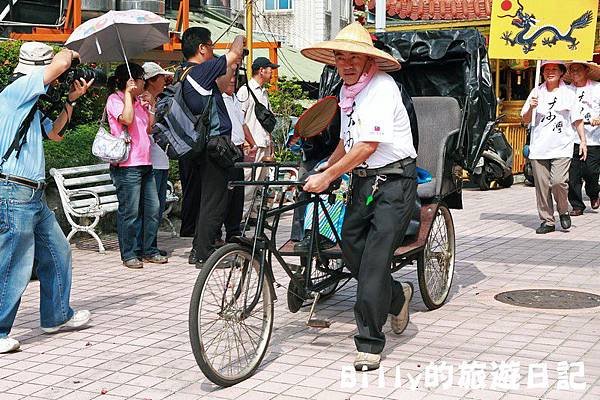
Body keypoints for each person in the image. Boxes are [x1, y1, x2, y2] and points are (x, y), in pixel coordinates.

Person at [301, 22, 417, 371]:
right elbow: (347, 142)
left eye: (355, 58)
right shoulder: (348, 92)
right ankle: (396, 296)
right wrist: (323, 168)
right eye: (341, 57)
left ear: (370, 61)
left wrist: (329, 177)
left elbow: (369, 145)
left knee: (374, 262)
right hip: (365, 184)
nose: (347, 64)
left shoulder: (381, 87)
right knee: (351, 245)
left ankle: (369, 341)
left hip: (394, 182)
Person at [0, 42, 92, 353]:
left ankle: (55, 316)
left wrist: (71, 101)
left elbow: (53, 133)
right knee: (14, 262)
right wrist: (71, 53)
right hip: (15, 191)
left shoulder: (30, 106)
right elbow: (61, 63)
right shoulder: (18, 90)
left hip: (33, 194)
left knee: (58, 251)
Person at [180, 27, 245, 267]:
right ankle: (205, 255)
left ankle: (199, 250)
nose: (214, 51)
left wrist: (231, 66)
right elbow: (235, 53)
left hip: (202, 147)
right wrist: (240, 37)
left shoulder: (186, 74)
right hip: (214, 147)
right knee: (214, 203)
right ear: (202, 48)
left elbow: (223, 81)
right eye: (211, 46)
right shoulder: (199, 71)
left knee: (207, 200)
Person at [106, 63, 168, 268]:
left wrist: (151, 107)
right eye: (141, 79)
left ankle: (149, 249)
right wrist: (127, 95)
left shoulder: (139, 101)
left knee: (153, 208)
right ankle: (129, 253)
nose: (143, 83)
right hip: (127, 165)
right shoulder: (115, 100)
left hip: (145, 162)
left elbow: (148, 129)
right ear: (131, 81)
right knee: (130, 211)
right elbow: (127, 119)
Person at [521, 60, 587, 234]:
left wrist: (583, 141)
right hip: (539, 147)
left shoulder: (569, 93)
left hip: (562, 146)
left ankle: (563, 211)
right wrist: (531, 108)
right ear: (542, 73)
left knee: (558, 182)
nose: (550, 72)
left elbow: (577, 119)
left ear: (561, 72)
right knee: (542, 186)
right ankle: (547, 221)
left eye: (554, 69)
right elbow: (525, 120)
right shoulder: (536, 91)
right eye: (546, 69)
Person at [237, 57, 279, 224]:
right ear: (261, 70)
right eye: (270, 69)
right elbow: (240, 119)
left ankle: (253, 215)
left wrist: (271, 143)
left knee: (259, 183)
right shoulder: (245, 91)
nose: (272, 72)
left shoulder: (263, 91)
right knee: (248, 183)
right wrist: (248, 142)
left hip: (263, 143)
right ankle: (241, 218)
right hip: (252, 145)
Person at [140, 62, 174, 255]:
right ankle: (148, 247)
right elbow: (148, 129)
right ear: (152, 80)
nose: (165, 81)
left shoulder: (160, 99)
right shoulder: (143, 101)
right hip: (150, 160)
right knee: (151, 208)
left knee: (158, 207)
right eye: (161, 77)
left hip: (162, 159)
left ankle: (150, 244)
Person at [217, 71, 254, 242]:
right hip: (225, 150)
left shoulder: (234, 100)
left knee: (238, 193)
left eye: (234, 79)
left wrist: (251, 143)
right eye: (229, 78)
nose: (232, 81)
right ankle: (216, 233)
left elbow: (243, 124)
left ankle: (234, 231)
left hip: (238, 150)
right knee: (224, 194)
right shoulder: (218, 99)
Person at [566, 61, 600, 216]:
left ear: (586, 70)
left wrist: (598, 118)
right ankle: (577, 205)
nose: (574, 73)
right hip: (571, 138)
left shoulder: (597, 88)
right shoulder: (567, 90)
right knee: (573, 174)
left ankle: (593, 193)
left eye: (577, 70)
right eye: (571, 70)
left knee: (591, 172)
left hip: (593, 137)